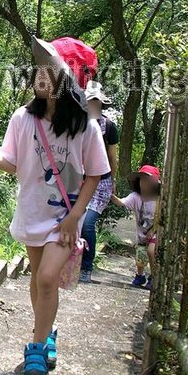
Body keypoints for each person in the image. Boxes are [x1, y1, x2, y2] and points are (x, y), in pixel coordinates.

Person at [0, 36, 110, 375]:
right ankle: (47, 334)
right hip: (31, 211)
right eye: (40, 69)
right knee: (38, 280)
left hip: (64, 218)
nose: (41, 75)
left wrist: (76, 215)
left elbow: (96, 173)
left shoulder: (86, 127)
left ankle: (35, 348)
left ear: (68, 81)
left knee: (48, 278)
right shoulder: (23, 118)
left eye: (51, 71)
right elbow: (11, 163)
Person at [78, 82, 119, 282]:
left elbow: (113, 158)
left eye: (96, 102)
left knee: (87, 223)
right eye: (89, 102)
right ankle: (72, 263)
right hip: (78, 181)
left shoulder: (109, 127)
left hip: (101, 183)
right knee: (73, 223)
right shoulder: (77, 123)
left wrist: (112, 182)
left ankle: (86, 267)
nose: (93, 105)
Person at [110, 164, 161, 289]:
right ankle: (140, 276)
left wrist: (153, 230)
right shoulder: (135, 197)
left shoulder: (159, 199)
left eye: (148, 181)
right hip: (142, 234)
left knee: (151, 251)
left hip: (156, 232)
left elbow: (161, 218)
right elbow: (121, 202)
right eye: (142, 180)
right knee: (141, 257)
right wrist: (111, 195)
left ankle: (154, 277)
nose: (145, 184)